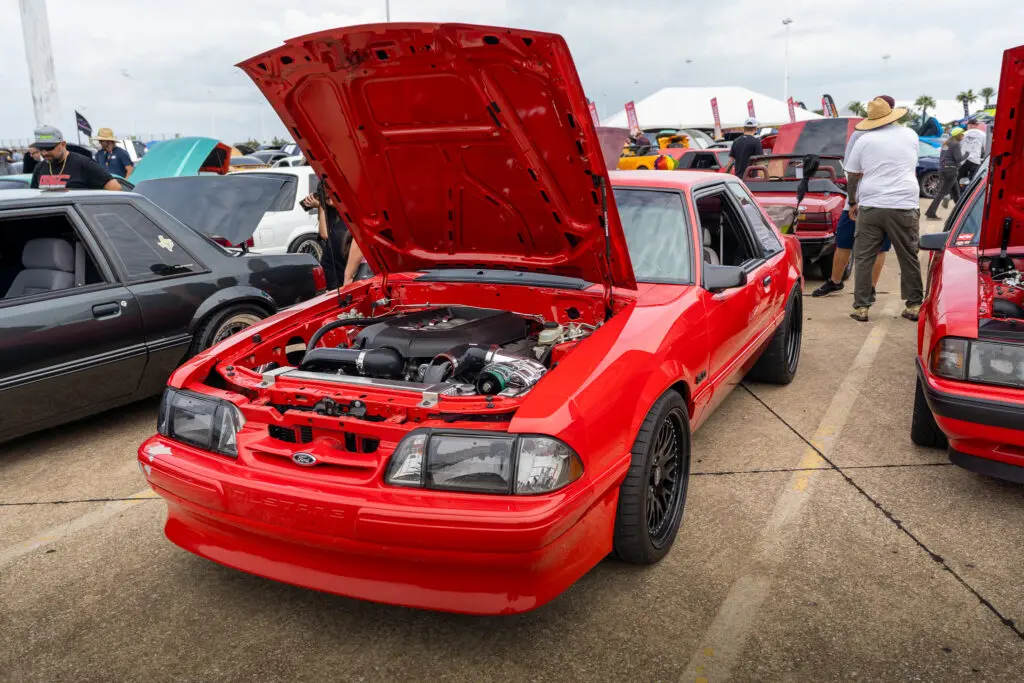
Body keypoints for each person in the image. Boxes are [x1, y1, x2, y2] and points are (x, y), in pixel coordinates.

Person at [845, 97, 923, 323]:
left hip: (871, 204)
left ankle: (862, 307)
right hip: (904, 203)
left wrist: (852, 202)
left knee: (864, 257)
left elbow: (853, 175)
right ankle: (914, 305)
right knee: (908, 255)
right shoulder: (910, 135)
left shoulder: (864, 140)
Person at [812, 126, 889, 299]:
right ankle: (835, 281)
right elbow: (851, 170)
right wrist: (853, 200)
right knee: (844, 241)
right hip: (858, 199)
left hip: (882, 201)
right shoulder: (860, 134)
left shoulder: (895, 136)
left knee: (879, 247)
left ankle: (870, 288)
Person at [28, 126, 121, 191]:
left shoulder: (83, 164)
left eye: (49, 148)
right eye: (41, 149)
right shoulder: (39, 168)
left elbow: (115, 187)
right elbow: (34, 195)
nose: (44, 153)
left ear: (63, 144)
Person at [924, 127, 965, 219]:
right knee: (941, 193)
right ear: (958, 135)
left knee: (956, 194)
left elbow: (944, 157)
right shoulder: (955, 144)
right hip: (951, 171)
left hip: (943, 170)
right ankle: (930, 213)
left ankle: (961, 212)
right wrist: (967, 154)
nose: (963, 135)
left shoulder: (946, 143)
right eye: (962, 134)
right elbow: (958, 159)